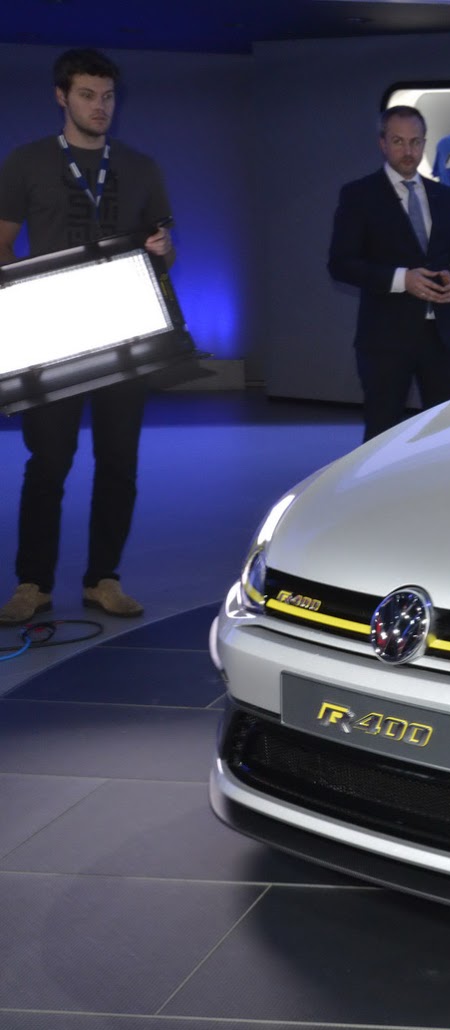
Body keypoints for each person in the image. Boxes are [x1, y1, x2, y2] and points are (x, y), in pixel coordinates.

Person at [0, 48, 175, 625]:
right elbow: (1, 243)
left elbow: (164, 251)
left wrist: (163, 250)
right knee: (48, 463)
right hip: (53, 338)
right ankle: (32, 583)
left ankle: (104, 578)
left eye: (107, 96)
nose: (100, 106)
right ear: (62, 96)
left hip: (125, 336)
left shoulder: (142, 167)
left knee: (118, 462)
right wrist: (29, 297)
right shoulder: (26, 162)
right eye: (87, 95)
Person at [328, 105, 450, 442]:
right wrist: (402, 279)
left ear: (425, 143)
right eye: (398, 141)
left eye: (415, 142)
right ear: (382, 143)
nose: (408, 151)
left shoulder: (445, 197)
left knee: (446, 435)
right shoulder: (358, 195)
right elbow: (340, 263)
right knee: (382, 435)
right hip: (385, 340)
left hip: (443, 339)